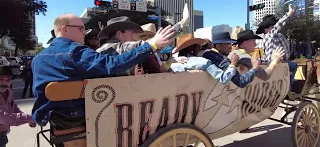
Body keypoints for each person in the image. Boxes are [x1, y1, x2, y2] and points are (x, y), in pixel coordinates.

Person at [32, 13, 175, 126]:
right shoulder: (74, 51)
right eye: (80, 29)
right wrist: (151, 46)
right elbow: (111, 65)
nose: (85, 33)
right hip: (79, 116)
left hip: (52, 119)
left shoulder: (37, 59)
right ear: (65, 29)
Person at [169, 34, 239, 84]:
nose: (200, 48)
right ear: (192, 48)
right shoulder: (203, 62)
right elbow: (224, 79)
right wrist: (233, 64)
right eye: (198, 46)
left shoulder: (171, 64)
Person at [256, 4, 297, 86]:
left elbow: (259, 55)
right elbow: (286, 53)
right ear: (266, 28)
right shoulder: (275, 36)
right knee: (294, 65)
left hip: (264, 65)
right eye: (272, 27)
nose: (274, 28)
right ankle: (288, 87)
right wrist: (289, 14)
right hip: (276, 64)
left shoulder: (258, 39)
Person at [0, 66, 36, 146]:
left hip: (3, 136)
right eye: (1, 79)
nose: (5, 83)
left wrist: (28, 120)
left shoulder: (8, 91)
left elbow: (13, 107)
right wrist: (31, 118)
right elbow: (7, 119)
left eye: (8, 80)